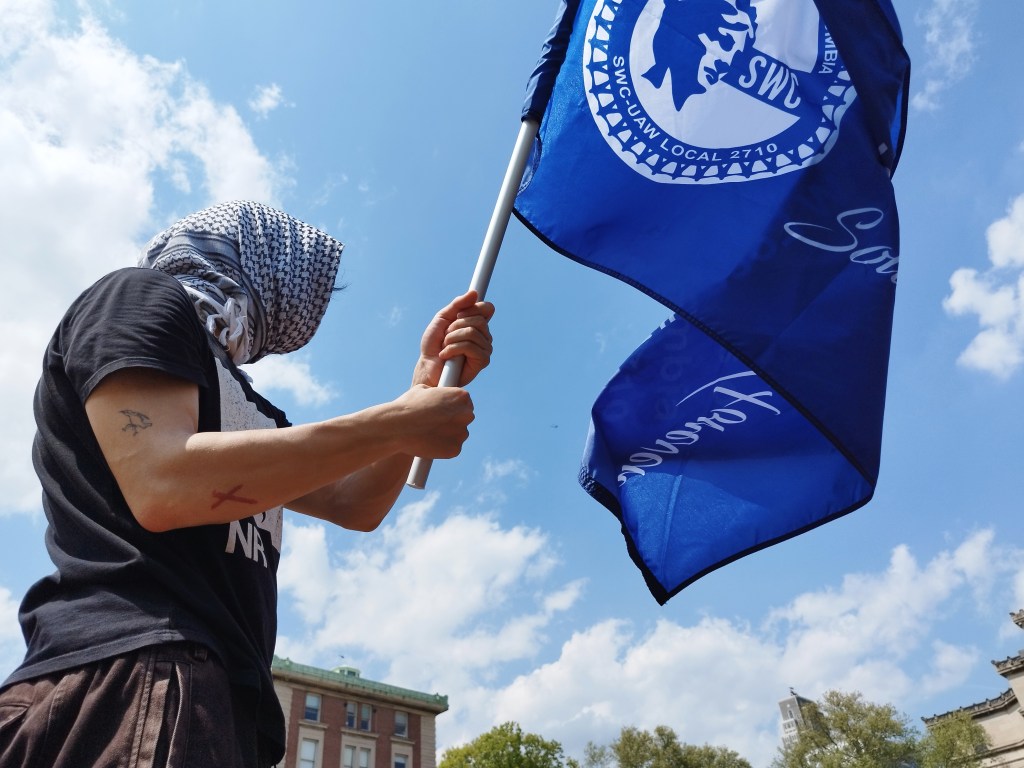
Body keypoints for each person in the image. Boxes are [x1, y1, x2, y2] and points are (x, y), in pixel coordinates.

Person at [0, 201, 494, 768]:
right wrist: (394, 423)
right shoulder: (137, 297)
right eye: (301, 289)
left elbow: (356, 502)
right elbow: (163, 482)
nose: (297, 319)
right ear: (261, 257)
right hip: (137, 669)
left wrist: (423, 383)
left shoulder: (244, 400)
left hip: (218, 697)